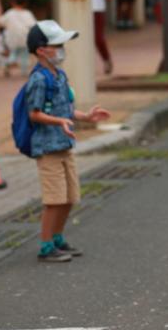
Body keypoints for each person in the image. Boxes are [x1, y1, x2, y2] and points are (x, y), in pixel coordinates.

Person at [25, 20, 110, 262]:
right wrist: (58, 122)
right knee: (54, 200)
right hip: (48, 149)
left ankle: (58, 239)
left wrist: (86, 116)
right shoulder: (39, 79)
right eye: (58, 45)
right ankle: (45, 246)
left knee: (70, 197)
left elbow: (66, 109)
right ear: (42, 50)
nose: (62, 49)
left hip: (64, 145)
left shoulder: (59, 75)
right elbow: (34, 113)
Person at [0, 0, 37, 77]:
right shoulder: (28, 13)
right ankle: (24, 70)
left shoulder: (10, 13)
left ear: (12, 2)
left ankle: (10, 62)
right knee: (24, 55)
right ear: (25, 3)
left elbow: (0, 22)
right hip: (26, 40)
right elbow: (34, 25)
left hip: (12, 40)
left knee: (13, 51)